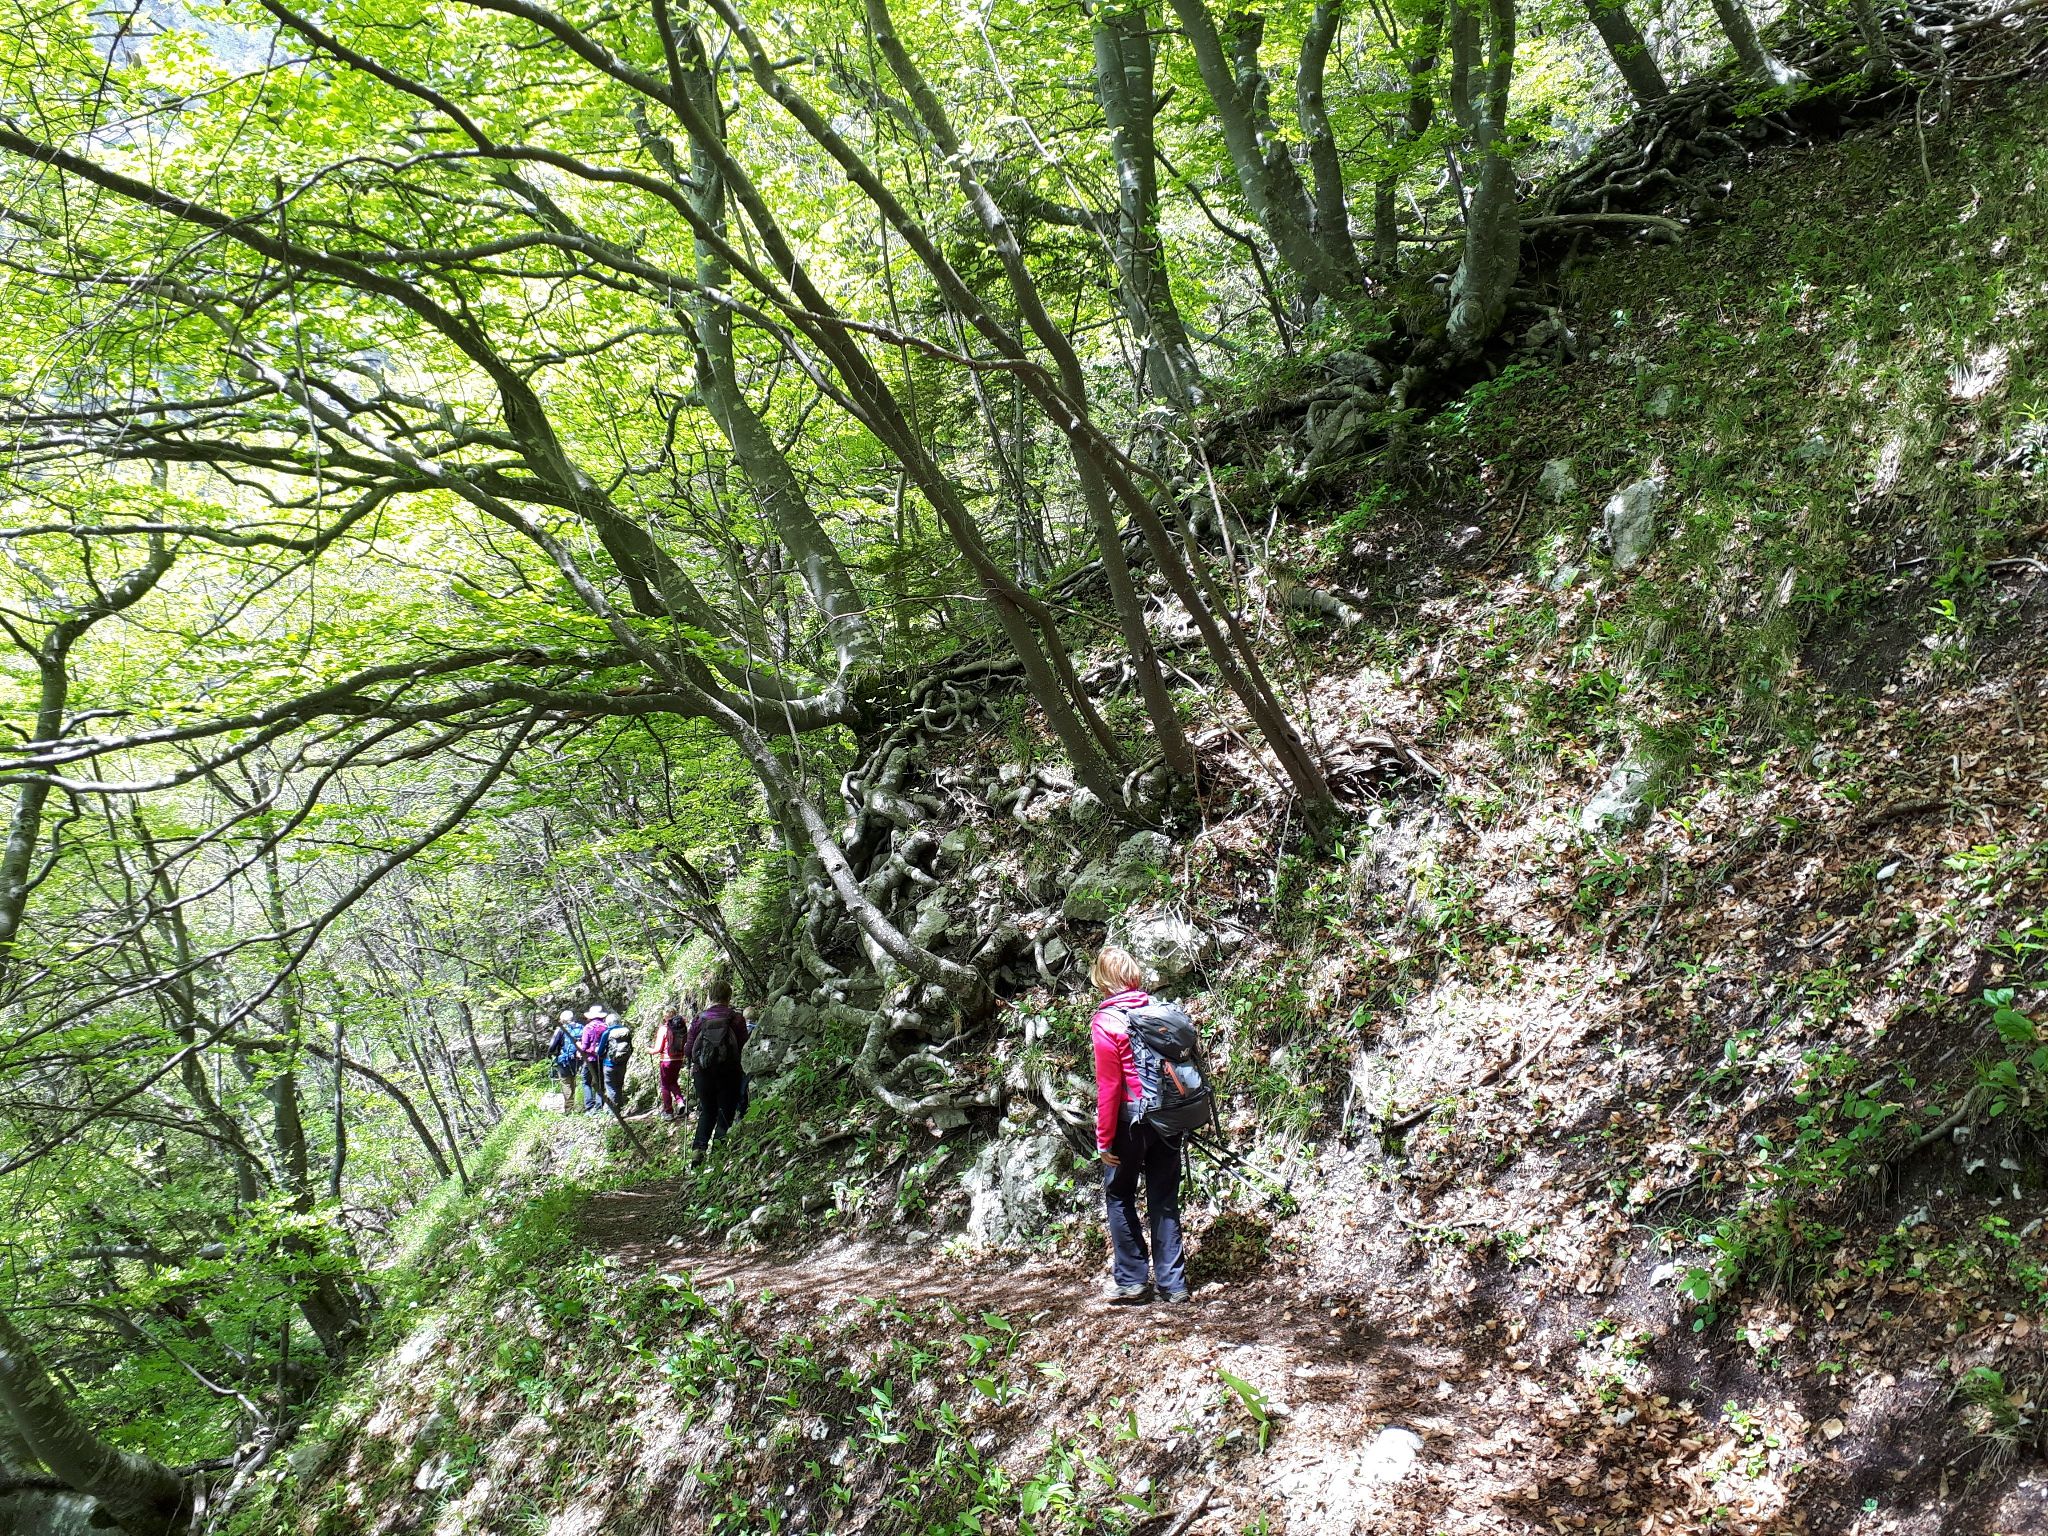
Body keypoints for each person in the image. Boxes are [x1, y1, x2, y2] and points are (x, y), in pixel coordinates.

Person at [1090, 947, 1188, 1305]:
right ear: (1132, 975)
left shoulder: (1106, 1022)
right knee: (1164, 1197)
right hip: (1168, 1117)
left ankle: (1132, 1281)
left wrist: (1103, 1140)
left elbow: (1109, 1087)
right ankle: (1173, 1285)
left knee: (1119, 1195)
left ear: (1103, 980)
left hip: (1130, 1121)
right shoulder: (1158, 1010)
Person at [686, 980, 748, 1161]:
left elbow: (689, 1050)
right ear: (729, 997)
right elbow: (744, 1046)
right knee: (725, 1113)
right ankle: (717, 1157)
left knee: (707, 1111)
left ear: (710, 996)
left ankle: (698, 1151)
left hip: (702, 1073)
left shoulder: (699, 1019)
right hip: (729, 1073)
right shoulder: (736, 1018)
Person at [655, 1002, 691, 1122]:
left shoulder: (664, 1029)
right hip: (679, 1059)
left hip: (666, 1061)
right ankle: (680, 1102)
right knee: (673, 1082)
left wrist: (649, 1050)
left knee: (665, 1085)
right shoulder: (682, 1028)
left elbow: (657, 1049)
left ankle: (668, 1112)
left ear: (665, 1016)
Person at [599, 1010, 635, 1112]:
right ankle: (619, 1106)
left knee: (610, 1086)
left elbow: (600, 1051)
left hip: (609, 1064)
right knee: (619, 1085)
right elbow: (631, 1047)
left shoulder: (607, 1033)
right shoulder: (626, 1031)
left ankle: (613, 1111)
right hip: (623, 1063)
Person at [577, 1004, 610, 1114]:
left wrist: (578, 1047)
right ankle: (599, 1106)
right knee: (600, 1081)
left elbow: (584, 1046)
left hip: (590, 1059)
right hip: (602, 1058)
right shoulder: (606, 1026)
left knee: (586, 1081)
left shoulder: (588, 1027)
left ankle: (590, 1107)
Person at [546, 1008, 579, 1113]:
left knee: (565, 1082)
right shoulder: (579, 1028)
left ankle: (569, 1109)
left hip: (564, 1060)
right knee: (573, 1081)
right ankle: (574, 1104)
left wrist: (550, 1054)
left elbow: (552, 1045)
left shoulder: (561, 1029)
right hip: (578, 1059)